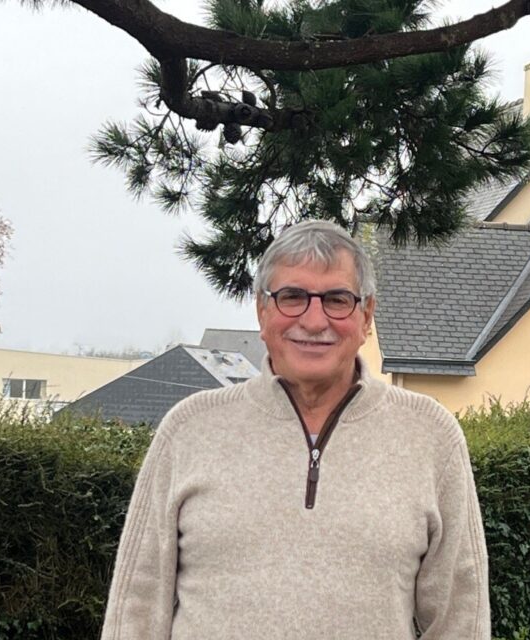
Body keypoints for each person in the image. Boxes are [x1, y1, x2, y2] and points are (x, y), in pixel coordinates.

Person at [100, 220, 490, 639]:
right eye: (292, 297)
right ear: (262, 311)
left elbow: (460, 620)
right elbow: (135, 611)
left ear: (366, 316)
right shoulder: (189, 430)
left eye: (338, 300)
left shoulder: (431, 436)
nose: (315, 319)